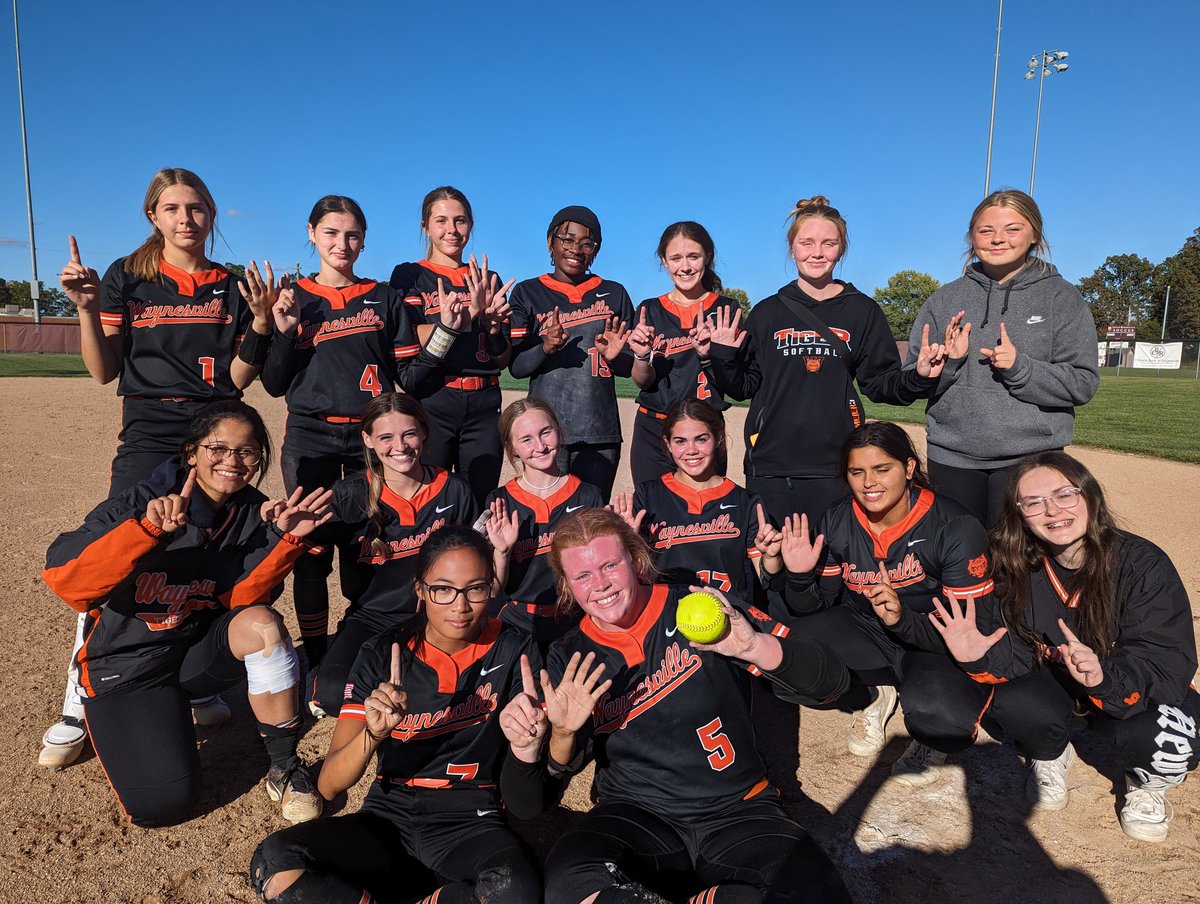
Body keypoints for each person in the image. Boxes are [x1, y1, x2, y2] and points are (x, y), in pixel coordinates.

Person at [45, 167, 281, 768]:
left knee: (205, 553)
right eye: (173, 208)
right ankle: (80, 697)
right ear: (154, 216)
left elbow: (237, 381)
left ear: (211, 214)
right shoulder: (130, 276)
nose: (186, 219)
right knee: (124, 550)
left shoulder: (229, 285)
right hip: (149, 430)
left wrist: (257, 324)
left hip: (212, 426)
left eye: (197, 208)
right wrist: (86, 309)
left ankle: (190, 681)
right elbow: (103, 372)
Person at [502, 508, 852, 904]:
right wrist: (560, 734)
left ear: (635, 559)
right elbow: (530, 803)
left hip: (738, 811)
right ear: (567, 585)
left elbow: (832, 683)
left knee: (817, 895)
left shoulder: (698, 606)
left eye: (609, 565)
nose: (599, 584)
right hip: (636, 817)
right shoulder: (571, 655)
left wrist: (753, 646)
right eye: (582, 575)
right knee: (572, 882)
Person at [42, 401, 331, 827]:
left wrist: (283, 540)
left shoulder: (252, 510)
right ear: (191, 452)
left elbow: (242, 598)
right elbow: (66, 581)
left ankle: (285, 767)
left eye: (247, 452)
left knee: (263, 625)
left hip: (191, 652)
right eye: (218, 448)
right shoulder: (142, 500)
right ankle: (127, 715)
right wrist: (147, 533)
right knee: (163, 804)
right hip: (129, 666)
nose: (232, 461)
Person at [249, 525, 543, 903]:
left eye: (476, 588)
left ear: (493, 586)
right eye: (443, 589)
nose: (460, 605)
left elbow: (531, 797)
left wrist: (536, 737)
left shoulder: (516, 651)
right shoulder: (383, 651)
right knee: (275, 863)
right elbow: (328, 786)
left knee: (515, 890)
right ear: (420, 590)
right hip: (390, 816)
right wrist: (373, 734)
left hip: (471, 819)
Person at [930, 451, 1199, 842]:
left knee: (1170, 739)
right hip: (1061, 688)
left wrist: (1105, 676)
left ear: (1090, 496)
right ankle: (1052, 751)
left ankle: (1146, 780)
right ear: (1019, 514)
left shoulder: (1142, 564)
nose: (1052, 510)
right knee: (1011, 702)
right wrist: (979, 656)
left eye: (1064, 494)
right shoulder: (1016, 565)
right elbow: (1018, 654)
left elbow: (1165, 663)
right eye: (1033, 502)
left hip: (1126, 689)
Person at [261, 195, 464, 667]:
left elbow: (411, 378)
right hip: (311, 437)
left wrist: (446, 331)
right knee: (310, 549)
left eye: (352, 235)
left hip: (367, 442)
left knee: (364, 547)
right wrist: (285, 330)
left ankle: (359, 641)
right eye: (331, 233)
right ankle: (313, 656)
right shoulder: (296, 297)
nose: (342, 244)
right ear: (311, 234)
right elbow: (273, 384)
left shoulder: (383, 296)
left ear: (364, 240)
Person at [763, 422, 996, 786]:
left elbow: (971, 631)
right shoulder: (839, 518)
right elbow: (815, 607)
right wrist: (798, 575)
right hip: (869, 631)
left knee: (942, 719)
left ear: (908, 468)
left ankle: (924, 727)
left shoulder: (955, 525)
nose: (868, 482)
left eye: (882, 469)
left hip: (935, 641)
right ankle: (873, 693)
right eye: (857, 472)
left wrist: (903, 619)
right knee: (789, 662)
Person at [703, 195, 948, 525]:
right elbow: (743, 387)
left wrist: (919, 376)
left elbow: (879, 385)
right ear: (792, 249)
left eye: (828, 243)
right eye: (806, 243)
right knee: (777, 564)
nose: (817, 252)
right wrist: (721, 355)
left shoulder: (862, 311)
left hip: (838, 463)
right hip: (774, 463)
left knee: (835, 567)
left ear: (841, 249)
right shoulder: (767, 312)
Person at [904, 189, 1099, 528]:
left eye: (1012, 229)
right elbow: (911, 378)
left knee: (1021, 565)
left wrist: (1020, 367)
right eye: (986, 230)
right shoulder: (945, 299)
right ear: (971, 236)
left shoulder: (1062, 297)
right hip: (952, 457)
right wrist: (941, 368)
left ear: (1034, 234)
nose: (998, 239)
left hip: (1032, 458)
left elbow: (1082, 384)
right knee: (960, 562)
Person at [306, 393, 476, 717]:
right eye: (386, 437)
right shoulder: (349, 494)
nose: (400, 446)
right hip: (372, 617)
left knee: (451, 698)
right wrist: (290, 532)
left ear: (424, 432)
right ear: (368, 440)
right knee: (331, 695)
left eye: (409, 433)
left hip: (437, 615)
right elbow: (311, 567)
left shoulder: (453, 489)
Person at [389, 186, 516, 508]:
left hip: (484, 402)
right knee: (431, 499)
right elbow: (409, 334)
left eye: (460, 221)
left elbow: (501, 357)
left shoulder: (487, 278)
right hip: (434, 397)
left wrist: (492, 325)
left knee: (479, 500)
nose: (452, 230)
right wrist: (466, 316)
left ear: (470, 225)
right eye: (441, 220)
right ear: (425, 227)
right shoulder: (410, 274)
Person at [509, 205, 638, 500]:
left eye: (586, 242)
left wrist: (617, 356)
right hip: (545, 430)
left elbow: (628, 366)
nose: (576, 249)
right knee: (547, 515)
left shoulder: (614, 293)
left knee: (592, 518)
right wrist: (544, 347)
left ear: (596, 249)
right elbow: (516, 366)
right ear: (550, 242)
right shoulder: (528, 293)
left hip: (599, 429)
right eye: (567, 239)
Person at [612, 398, 778, 603]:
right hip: (666, 620)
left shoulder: (746, 502)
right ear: (668, 444)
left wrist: (771, 559)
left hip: (729, 617)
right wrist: (625, 543)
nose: (691, 450)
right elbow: (635, 575)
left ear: (718, 438)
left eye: (701, 439)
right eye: (680, 441)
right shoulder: (648, 496)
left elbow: (766, 580)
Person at [484, 398, 605, 649]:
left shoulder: (587, 495)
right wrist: (502, 552)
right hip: (517, 622)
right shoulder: (499, 501)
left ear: (558, 432)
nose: (540, 445)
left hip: (574, 619)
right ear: (512, 448)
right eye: (526, 439)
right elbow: (493, 590)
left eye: (545, 432)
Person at [628, 221, 738, 486]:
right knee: (651, 515)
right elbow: (643, 381)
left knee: (702, 518)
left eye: (693, 256)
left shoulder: (725, 310)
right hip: (653, 427)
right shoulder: (649, 309)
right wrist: (642, 356)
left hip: (704, 430)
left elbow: (734, 384)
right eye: (676, 258)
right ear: (664, 261)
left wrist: (712, 355)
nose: (685, 266)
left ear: (707, 257)